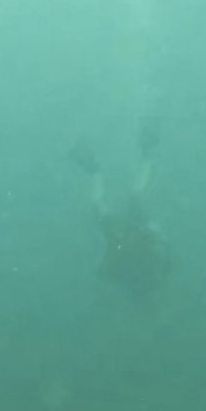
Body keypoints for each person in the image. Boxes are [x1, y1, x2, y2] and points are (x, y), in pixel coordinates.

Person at [69, 116, 173, 297]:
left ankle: (98, 166)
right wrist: (155, 233)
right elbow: (105, 269)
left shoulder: (145, 266)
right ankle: (143, 151)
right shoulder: (144, 267)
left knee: (128, 196)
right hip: (128, 235)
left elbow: (105, 269)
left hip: (126, 235)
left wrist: (155, 234)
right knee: (127, 197)